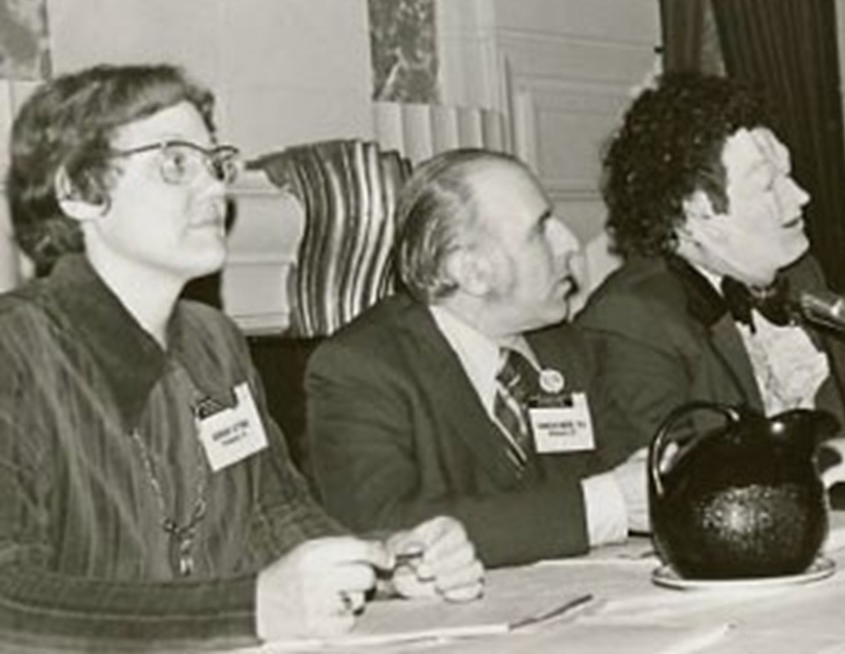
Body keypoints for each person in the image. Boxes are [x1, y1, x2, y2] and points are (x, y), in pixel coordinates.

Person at [0, 64, 483, 650]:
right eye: (176, 163)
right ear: (77, 191)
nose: (214, 188)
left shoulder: (214, 342)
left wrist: (381, 566)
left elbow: (274, 514)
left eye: (214, 163)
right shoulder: (16, 353)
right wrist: (247, 609)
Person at [576, 72, 845, 459]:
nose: (801, 196)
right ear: (694, 210)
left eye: (788, 175)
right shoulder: (629, 320)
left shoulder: (800, 277)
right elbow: (678, 482)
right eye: (769, 184)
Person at [306, 149, 647, 569]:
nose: (568, 245)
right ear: (472, 271)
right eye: (540, 231)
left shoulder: (564, 350)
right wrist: (601, 508)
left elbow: (630, 475)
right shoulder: (362, 368)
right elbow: (384, 528)